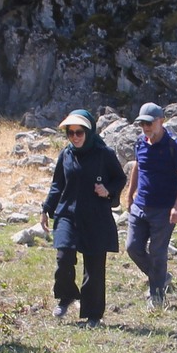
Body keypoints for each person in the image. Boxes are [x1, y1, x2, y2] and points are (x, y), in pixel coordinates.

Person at [42, 108, 126, 325]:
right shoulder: (66, 154)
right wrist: (46, 208)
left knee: (94, 268)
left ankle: (93, 314)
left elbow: (119, 178)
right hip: (67, 214)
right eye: (70, 133)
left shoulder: (104, 153)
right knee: (63, 257)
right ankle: (66, 296)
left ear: (89, 132)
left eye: (79, 132)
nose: (75, 137)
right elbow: (57, 184)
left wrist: (107, 191)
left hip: (96, 217)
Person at [121, 102, 177, 307]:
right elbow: (137, 167)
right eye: (142, 124)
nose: (146, 127)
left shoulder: (174, 145)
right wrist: (130, 194)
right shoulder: (140, 142)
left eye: (149, 123)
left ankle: (157, 295)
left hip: (164, 209)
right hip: (140, 206)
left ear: (161, 121)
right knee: (132, 247)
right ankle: (161, 278)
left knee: (157, 252)